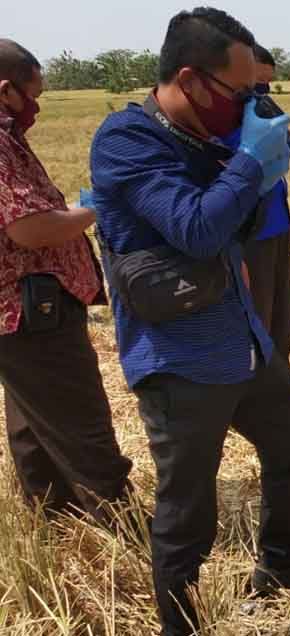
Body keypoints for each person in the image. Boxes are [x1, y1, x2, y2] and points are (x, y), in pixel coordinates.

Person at [89, 9, 290, 635]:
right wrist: (248, 162)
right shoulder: (126, 142)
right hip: (179, 357)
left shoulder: (209, 138)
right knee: (188, 509)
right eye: (240, 94)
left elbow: (236, 229)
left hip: (242, 338)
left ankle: (284, 565)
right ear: (190, 81)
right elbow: (195, 229)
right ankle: (181, 624)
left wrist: (257, 170)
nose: (249, 106)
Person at [0, 39, 133, 526]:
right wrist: (98, 205)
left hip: (18, 315)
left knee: (34, 420)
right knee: (81, 422)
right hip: (29, 311)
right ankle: (118, 524)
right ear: (6, 90)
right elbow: (29, 229)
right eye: (33, 93)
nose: (37, 104)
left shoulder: (9, 136)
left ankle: (54, 517)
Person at [230, 44, 290, 402]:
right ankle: (256, 394)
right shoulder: (227, 125)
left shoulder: (259, 116)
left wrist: (289, 225)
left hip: (275, 229)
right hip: (250, 235)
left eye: (268, 84)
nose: (262, 92)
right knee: (258, 316)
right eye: (257, 84)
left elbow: (274, 175)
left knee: (283, 313)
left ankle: (280, 384)